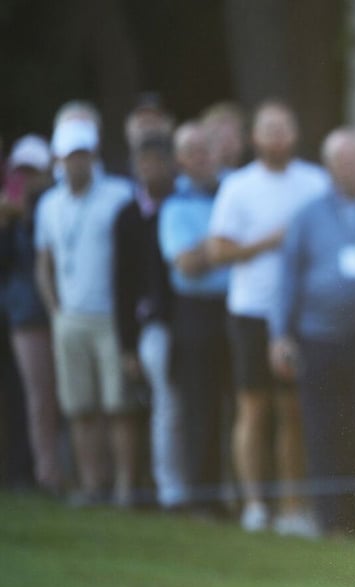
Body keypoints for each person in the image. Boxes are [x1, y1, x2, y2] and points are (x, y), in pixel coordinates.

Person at [270, 129, 355, 539]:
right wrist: (280, 335)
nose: (349, 168)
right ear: (328, 168)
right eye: (340, 162)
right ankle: (335, 523)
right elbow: (287, 278)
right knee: (324, 431)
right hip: (318, 338)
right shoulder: (307, 215)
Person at [204, 101, 329, 534]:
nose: (276, 137)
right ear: (254, 138)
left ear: (294, 135)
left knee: (292, 410)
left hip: (299, 314)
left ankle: (294, 508)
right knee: (253, 408)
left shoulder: (314, 182)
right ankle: (256, 505)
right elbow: (218, 250)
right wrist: (271, 242)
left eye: (284, 129)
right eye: (268, 130)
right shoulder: (238, 186)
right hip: (252, 311)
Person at [34, 118, 135, 506]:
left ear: (94, 155)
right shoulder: (49, 205)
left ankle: (126, 488)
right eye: (70, 156)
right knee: (80, 408)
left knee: (118, 407)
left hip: (110, 316)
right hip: (69, 318)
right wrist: (55, 308)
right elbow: (44, 262)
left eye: (83, 155)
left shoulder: (118, 195)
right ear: (59, 158)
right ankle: (93, 486)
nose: (77, 163)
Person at [158, 121, 233, 517]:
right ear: (181, 160)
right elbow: (186, 264)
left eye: (207, 148)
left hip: (237, 307)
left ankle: (243, 496)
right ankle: (204, 498)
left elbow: (204, 254)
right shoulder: (174, 205)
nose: (202, 157)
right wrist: (225, 242)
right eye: (193, 151)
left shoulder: (236, 189)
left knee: (241, 406)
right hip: (195, 314)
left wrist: (211, 250)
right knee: (199, 406)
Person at [112, 133, 182, 509]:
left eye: (157, 161)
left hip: (189, 321)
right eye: (144, 162)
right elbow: (121, 284)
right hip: (151, 327)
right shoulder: (127, 217)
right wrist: (126, 345)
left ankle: (193, 487)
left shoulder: (182, 204)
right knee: (165, 406)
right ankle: (169, 489)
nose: (150, 169)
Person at [1, 134, 62, 494]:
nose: (27, 179)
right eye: (21, 171)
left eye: (33, 171)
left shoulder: (54, 205)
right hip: (24, 314)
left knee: (66, 398)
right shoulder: (10, 212)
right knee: (35, 397)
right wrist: (11, 220)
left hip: (61, 311)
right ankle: (42, 473)